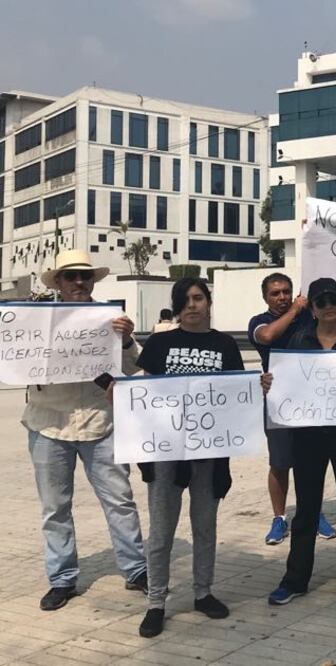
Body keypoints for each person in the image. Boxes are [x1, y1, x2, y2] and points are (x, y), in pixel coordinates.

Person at [24, 250, 148, 611]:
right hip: (48, 422)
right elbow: (14, 360)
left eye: (85, 276)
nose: (79, 282)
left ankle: (136, 569)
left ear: (94, 281)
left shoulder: (111, 319)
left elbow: (134, 366)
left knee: (120, 501)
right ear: (58, 282)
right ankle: (62, 579)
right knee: (54, 508)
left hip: (101, 421)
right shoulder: (35, 322)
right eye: (71, 276)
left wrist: (126, 340)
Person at [135, 277, 239, 637]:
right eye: (185, 300)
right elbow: (142, 389)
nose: (192, 305)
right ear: (177, 306)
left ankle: (203, 592)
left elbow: (237, 394)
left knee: (204, 527)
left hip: (208, 454)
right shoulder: (161, 342)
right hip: (166, 453)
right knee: (161, 531)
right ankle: (156, 602)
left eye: (198, 298)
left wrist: (260, 389)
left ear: (209, 301)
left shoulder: (225, 344)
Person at [265, 278, 336, 606]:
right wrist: (271, 383)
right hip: (309, 436)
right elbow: (286, 386)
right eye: (320, 301)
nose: (328, 306)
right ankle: (296, 578)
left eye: (333, 299)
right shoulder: (298, 341)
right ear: (312, 308)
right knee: (306, 507)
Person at [248, 272, 336, 545]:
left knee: (312, 460)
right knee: (280, 462)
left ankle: (313, 512)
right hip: (278, 402)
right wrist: (297, 309)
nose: (282, 297)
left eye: (286, 291)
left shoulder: (309, 319)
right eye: (275, 293)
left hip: (312, 401)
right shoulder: (259, 322)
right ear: (265, 297)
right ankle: (279, 518)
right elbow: (268, 336)